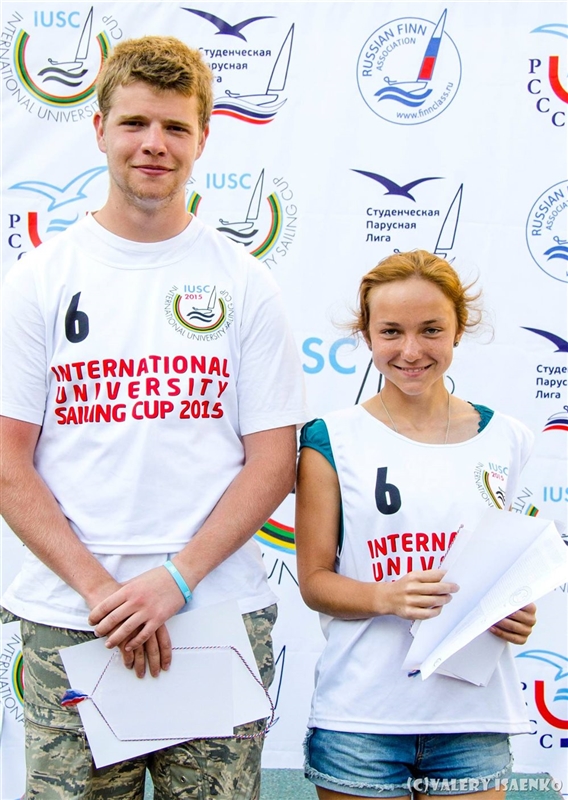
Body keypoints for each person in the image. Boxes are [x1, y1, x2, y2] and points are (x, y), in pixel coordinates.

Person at [0, 36, 307, 799]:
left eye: (174, 127)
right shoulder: (37, 280)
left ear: (204, 138)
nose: (154, 144)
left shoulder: (246, 284)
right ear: (98, 129)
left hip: (213, 616)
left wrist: (176, 579)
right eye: (135, 122)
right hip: (75, 620)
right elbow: (8, 461)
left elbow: (274, 462)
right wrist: (103, 593)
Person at [295, 250, 537, 800]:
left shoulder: (508, 438)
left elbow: (504, 565)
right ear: (366, 334)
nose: (410, 351)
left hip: (473, 717)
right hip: (361, 720)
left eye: (431, 330)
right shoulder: (329, 439)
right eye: (391, 332)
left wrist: (516, 611)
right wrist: (385, 597)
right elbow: (314, 582)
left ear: (459, 330)